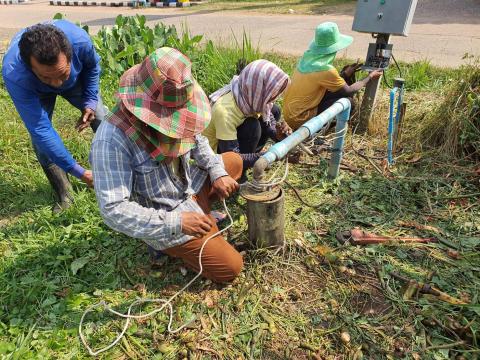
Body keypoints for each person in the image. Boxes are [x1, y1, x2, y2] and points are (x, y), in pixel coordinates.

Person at [90, 47, 243, 283]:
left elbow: (197, 139)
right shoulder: (111, 140)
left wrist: (217, 172)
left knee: (232, 162)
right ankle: (166, 245)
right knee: (230, 267)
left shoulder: (177, 104)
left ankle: (201, 213)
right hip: (165, 214)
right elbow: (113, 210)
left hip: (186, 187)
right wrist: (177, 222)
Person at [2, 20, 104, 212]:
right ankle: (64, 192)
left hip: (76, 84)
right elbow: (41, 129)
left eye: (62, 74)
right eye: (46, 77)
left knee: (101, 117)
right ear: (29, 67)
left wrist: (90, 101)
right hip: (37, 92)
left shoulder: (80, 42)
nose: (56, 84)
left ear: (71, 56)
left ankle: (116, 174)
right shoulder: (15, 73)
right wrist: (79, 172)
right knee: (40, 141)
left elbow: (92, 67)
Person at [283, 22, 383, 130]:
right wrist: (369, 77)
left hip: (290, 115)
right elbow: (348, 90)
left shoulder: (307, 58)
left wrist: (344, 74)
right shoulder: (326, 69)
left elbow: (324, 81)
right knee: (349, 102)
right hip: (301, 120)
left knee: (335, 92)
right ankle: (321, 131)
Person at [203, 60, 291, 174]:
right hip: (217, 156)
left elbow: (269, 124)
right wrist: (267, 157)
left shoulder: (250, 96)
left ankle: (252, 157)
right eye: (272, 93)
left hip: (232, 143)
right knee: (252, 127)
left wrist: (280, 135)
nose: (274, 98)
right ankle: (239, 173)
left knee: (275, 110)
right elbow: (231, 156)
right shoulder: (224, 112)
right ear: (260, 89)